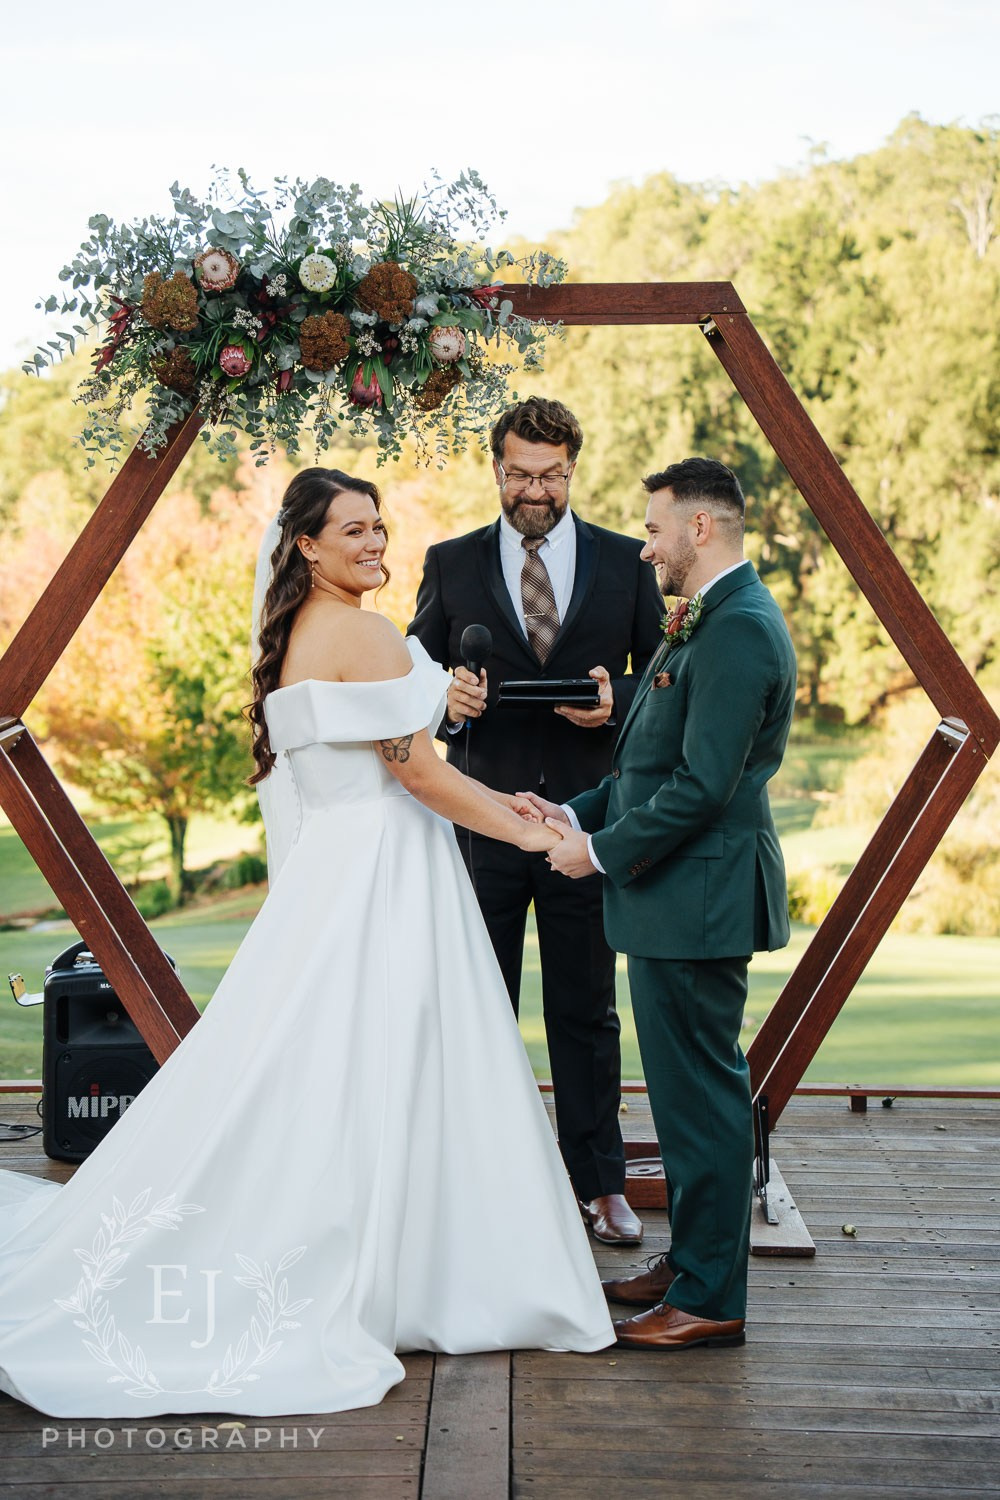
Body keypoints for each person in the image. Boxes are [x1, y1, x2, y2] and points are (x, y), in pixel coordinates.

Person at [0, 467, 614, 1419]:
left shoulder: (296, 635)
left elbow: (409, 765)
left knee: (330, 1065)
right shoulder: (363, 634)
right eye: (355, 531)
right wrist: (533, 833)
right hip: (386, 878)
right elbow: (414, 778)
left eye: (380, 527)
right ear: (306, 547)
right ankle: (423, 1273)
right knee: (392, 1064)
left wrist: (510, 800)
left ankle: (393, 1260)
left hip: (342, 872)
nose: (376, 543)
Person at [526, 457, 797, 1351]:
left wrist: (595, 853)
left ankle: (712, 1297)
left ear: (701, 529)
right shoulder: (703, 622)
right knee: (682, 1100)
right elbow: (643, 766)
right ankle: (691, 1265)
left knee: (702, 1100)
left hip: (701, 900)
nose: (645, 549)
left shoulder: (742, 628)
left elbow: (703, 788)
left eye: (653, 529)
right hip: (676, 900)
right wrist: (566, 812)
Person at [409, 398, 663, 1245]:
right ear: (496, 469)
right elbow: (413, 692)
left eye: (551, 475)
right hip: (482, 825)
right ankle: (474, 1181)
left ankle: (599, 1184)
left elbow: (666, 685)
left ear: (573, 471)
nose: (535, 490)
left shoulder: (629, 564)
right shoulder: (448, 564)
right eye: (520, 473)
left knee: (587, 1011)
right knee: (477, 1006)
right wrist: (450, 702)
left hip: (582, 828)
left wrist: (612, 701)